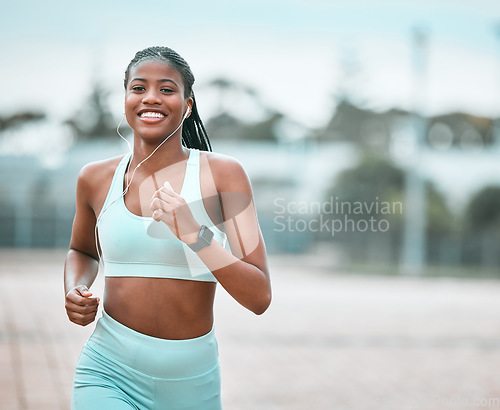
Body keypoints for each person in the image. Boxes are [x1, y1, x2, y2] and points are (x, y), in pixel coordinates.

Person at [64, 46, 272, 410]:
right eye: (139, 87)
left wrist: (194, 233)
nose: (151, 98)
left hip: (191, 383)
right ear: (126, 98)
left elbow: (259, 297)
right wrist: (75, 287)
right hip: (107, 371)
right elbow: (81, 250)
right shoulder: (95, 178)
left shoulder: (223, 175)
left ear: (187, 105)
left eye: (166, 89)